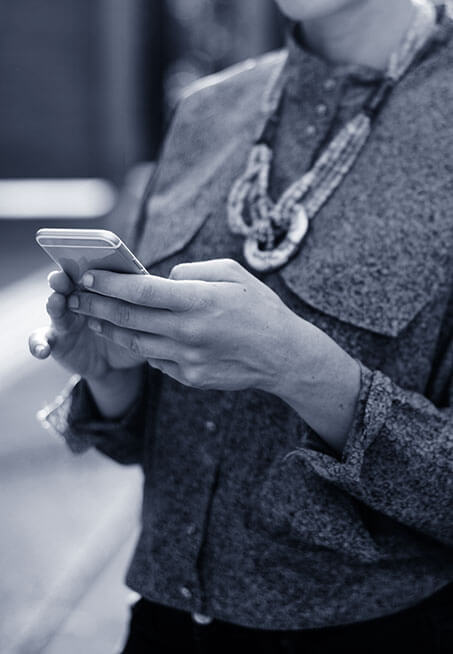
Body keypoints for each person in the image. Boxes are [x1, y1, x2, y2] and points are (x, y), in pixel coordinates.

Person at [29, 0, 453, 651]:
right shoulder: (209, 108)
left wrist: (303, 371)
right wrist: (117, 383)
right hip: (162, 623)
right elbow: (164, 448)